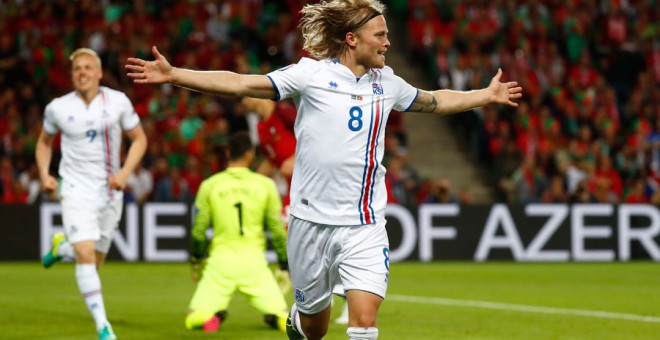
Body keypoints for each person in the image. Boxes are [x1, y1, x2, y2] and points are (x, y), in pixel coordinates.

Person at [125, 1, 522, 339]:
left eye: (387, 34)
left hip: (364, 225)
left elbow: (435, 101)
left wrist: (484, 96)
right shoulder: (309, 75)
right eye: (380, 35)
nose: (388, 42)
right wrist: (174, 74)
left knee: (364, 323)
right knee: (316, 328)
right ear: (352, 39)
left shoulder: (389, 83)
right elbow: (241, 84)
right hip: (310, 223)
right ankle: (299, 320)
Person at [38, 48, 147, 340]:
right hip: (74, 189)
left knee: (93, 262)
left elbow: (139, 139)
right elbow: (44, 143)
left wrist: (124, 174)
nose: (82, 73)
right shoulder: (58, 108)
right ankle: (103, 326)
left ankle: (62, 248)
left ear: (99, 73)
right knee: (85, 254)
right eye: (77, 69)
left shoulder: (117, 102)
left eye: (88, 67)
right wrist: (44, 173)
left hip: (109, 193)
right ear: (72, 75)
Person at [185, 131, 290, 332]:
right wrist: (284, 264)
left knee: (193, 318)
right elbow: (277, 230)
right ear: (250, 154)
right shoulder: (265, 185)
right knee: (284, 315)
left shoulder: (210, 185)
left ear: (227, 152)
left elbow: (199, 230)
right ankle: (274, 318)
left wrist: (196, 259)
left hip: (221, 262)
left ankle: (211, 319)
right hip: (255, 263)